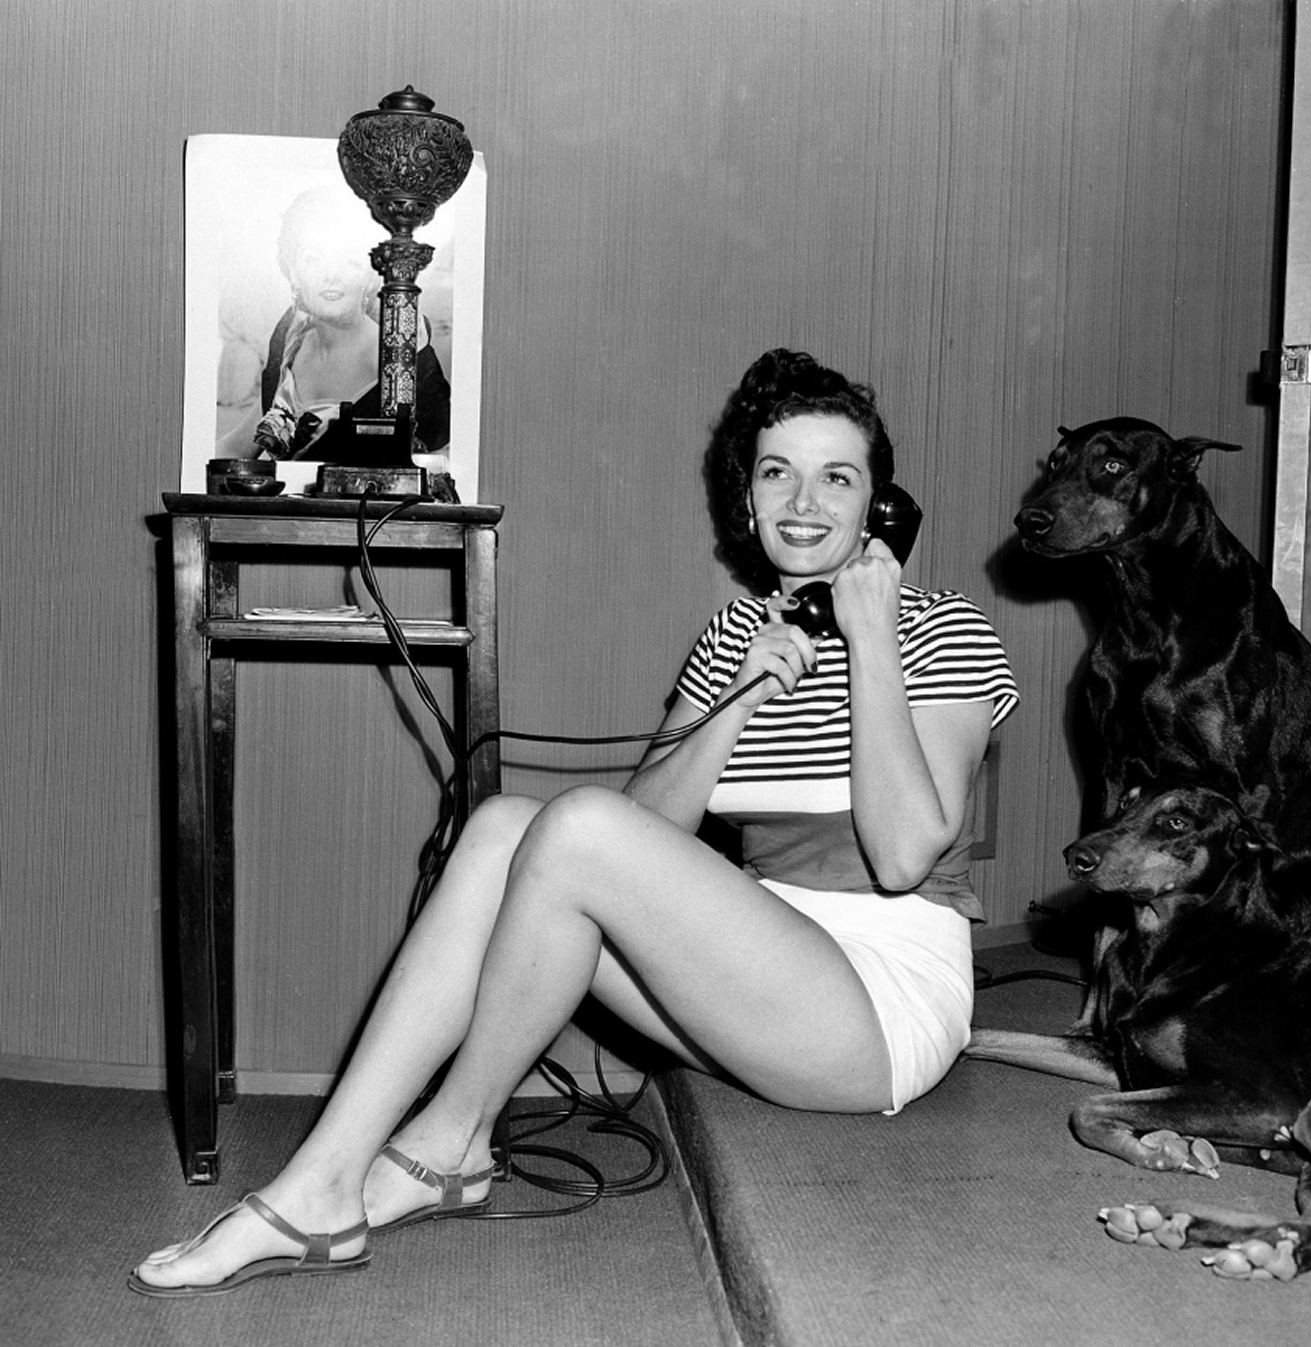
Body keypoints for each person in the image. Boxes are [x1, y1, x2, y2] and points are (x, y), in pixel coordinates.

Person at [132, 348, 1019, 1296]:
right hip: (764, 972)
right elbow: (643, 832)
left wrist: (873, 637)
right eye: (777, 472)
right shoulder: (736, 636)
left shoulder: (945, 625)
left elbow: (903, 854)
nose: (804, 501)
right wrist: (743, 695)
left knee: (577, 827)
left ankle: (449, 1139)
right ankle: (325, 1174)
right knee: (505, 829)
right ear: (749, 497)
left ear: (881, 505)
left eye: (837, 477)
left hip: (880, 1004)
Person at [214, 184, 451, 463]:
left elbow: (432, 446)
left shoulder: (393, 356)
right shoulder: (290, 337)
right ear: (292, 270)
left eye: (349, 261)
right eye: (313, 259)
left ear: (369, 276)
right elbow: (240, 444)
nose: (331, 275)